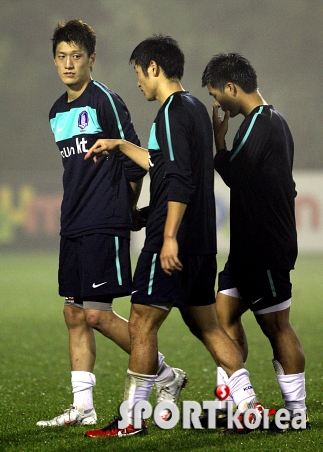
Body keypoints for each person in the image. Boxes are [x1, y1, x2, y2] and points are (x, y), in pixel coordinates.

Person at [83, 36, 262, 438]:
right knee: (210, 328)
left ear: (153, 68)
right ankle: (249, 403)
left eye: (137, 73)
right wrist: (119, 144)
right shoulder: (194, 109)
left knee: (141, 325)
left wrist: (166, 237)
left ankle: (130, 421)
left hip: (174, 242)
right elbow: (161, 163)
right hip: (201, 241)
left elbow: (178, 179)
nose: (138, 83)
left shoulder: (168, 114)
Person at [37, 21, 186, 427]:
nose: (69, 64)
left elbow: (136, 161)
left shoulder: (106, 102)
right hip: (74, 223)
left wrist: (125, 209)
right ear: (54, 60)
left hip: (104, 222)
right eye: (62, 56)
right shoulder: (55, 112)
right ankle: (83, 407)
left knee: (97, 315)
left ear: (91, 59)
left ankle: (167, 374)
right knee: (73, 313)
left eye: (76, 56)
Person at [201, 52, 309, 430]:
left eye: (216, 94)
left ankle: (296, 412)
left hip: (265, 248)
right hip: (246, 249)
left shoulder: (262, 123)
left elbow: (235, 173)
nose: (216, 103)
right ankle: (231, 406)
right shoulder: (266, 122)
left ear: (232, 87)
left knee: (277, 328)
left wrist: (218, 143)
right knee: (221, 318)